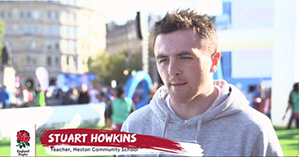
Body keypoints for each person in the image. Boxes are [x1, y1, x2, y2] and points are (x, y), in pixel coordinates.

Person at [121, 9, 283, 156]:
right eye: (163, 60)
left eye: (185, 58)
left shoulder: (253, 130)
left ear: (214, 61)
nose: (172, 70)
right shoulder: (135, 127)